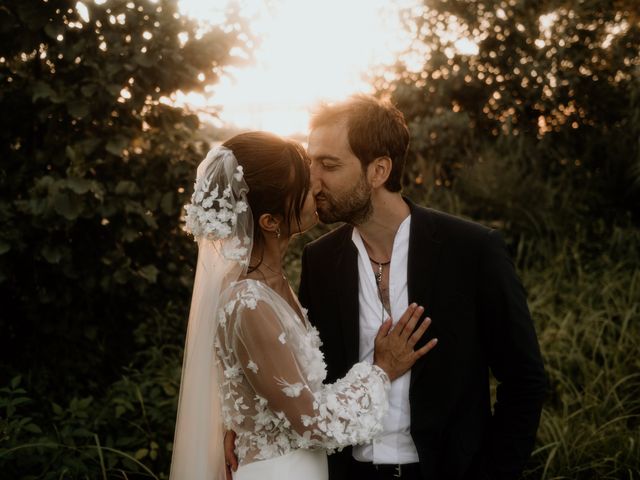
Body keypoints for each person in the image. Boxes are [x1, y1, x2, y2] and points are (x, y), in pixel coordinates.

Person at [296, 95, 548, 480]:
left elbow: (524, 379)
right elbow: (307, 380)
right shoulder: (319, 260)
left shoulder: (472, 250)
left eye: (328, 165)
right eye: (311, 162)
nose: (313, 180)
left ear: (378, 170)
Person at [169, 131, 438, 480]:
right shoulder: (248, 301)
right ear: (270, 221)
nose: (317, 187)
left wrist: (246, 419)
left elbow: (282, 390)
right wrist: (382, 369)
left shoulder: (274, 285)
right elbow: (317, 424)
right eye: (304, 186)